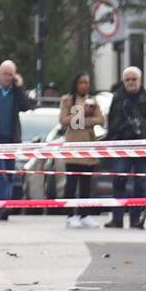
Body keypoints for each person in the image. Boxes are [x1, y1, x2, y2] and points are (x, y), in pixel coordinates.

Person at [104, 66, 146, 228]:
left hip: (142, 147)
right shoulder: (117, 98)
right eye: (127, 80)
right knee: (118, 180)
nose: (130, 82)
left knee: (141, 184)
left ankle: (135, 218)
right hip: (122, 145)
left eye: (134, 79)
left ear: (140, 80)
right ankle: (117, 218)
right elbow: (111, 121)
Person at [0, 59, 34, 221]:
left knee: (9, 173)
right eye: (6, 74)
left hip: (11, 139)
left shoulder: (15, 91)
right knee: (0, 173)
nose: (8, 77)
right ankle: (4, 205)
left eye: (11, 74)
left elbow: (26, 106)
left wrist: (20, 87)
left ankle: (4, 202)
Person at [59, 72, 105, 228]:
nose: (85, 85)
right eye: (81, 82)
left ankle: (85, 214)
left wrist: (82, 120)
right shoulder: (68, 100)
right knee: (71, 183)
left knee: (86, 183)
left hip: (89, 146)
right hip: (73, 146)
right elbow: (64, 121)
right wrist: (81, 114)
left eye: (87, 83)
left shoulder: (93, 101)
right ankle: (70, 215)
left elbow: (100, 119)